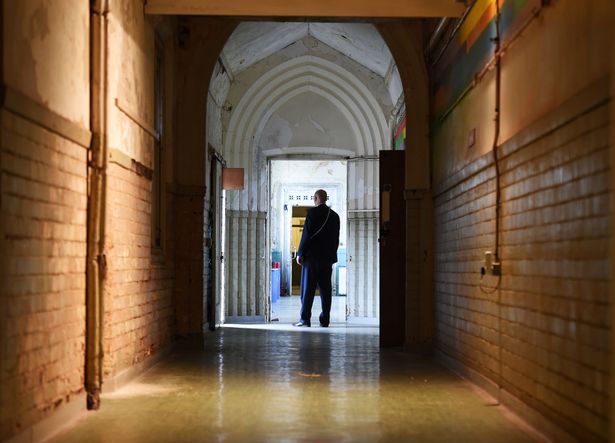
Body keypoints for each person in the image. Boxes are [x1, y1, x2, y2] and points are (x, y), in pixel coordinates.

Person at [293, 189, 340, 327]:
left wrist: (300, 253)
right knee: (326, 290)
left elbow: (306, 235)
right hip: (327, 259)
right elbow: (335, 239)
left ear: (316, 198)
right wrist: (331, 256)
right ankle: (325, 320)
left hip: (311, 258)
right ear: (326, 199)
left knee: (307, 289)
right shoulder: (335, 216)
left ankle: (305, 319)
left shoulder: (312, 213)